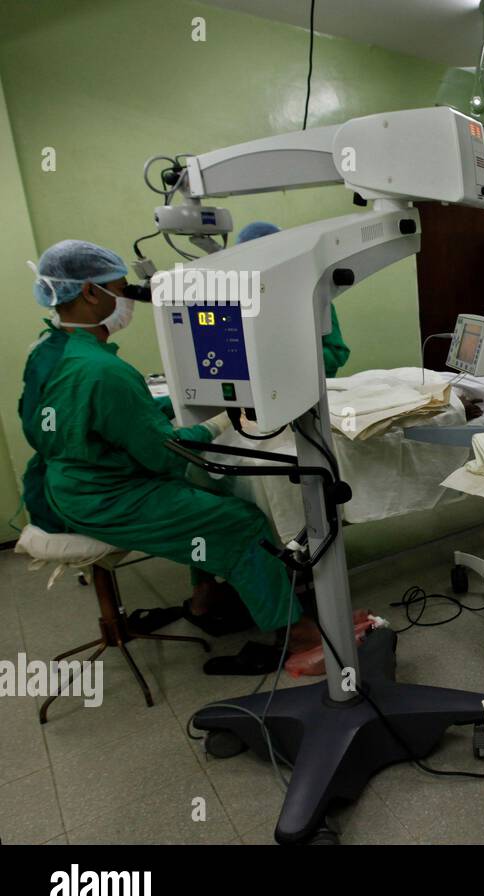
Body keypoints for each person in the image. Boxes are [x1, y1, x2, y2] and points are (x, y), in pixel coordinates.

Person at [20, 240, 318, 656]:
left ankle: (206, 599)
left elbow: (77, 421)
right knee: (240, 521)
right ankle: (297, 635)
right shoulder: (104, 372)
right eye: (121, 288)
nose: (127, 298)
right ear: (90, 291)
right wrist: (215, 423)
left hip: (66, 485)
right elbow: (164, 454)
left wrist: (167, 407)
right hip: (106, 498)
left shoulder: (50, 351)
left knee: (205, 495)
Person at [235, 221, 351, 378]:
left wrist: (291, 359)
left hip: (311, 388)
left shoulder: (311, 295)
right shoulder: (242, 301)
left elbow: (337, 353)